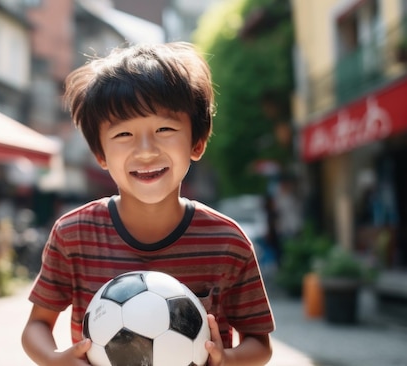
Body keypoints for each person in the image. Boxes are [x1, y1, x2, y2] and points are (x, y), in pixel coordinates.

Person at [21, 42, 274, 365]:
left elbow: (259, 343)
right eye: (123, 134)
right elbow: (36, 327)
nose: (145, 150)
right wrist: (55, 359)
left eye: (164, 129)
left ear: (197, 142)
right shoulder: (73, 235)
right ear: (100, 153)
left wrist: (228, 359)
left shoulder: (228, 242)